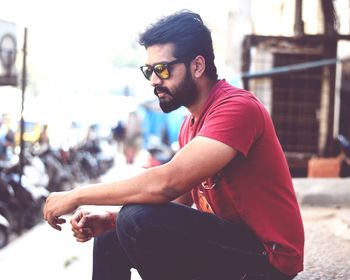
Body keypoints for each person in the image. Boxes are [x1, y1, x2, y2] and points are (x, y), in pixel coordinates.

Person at [43, 10, 304, 280]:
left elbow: (167, 184)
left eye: (162, 69)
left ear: (197, 66)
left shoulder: (237, 108)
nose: (155, 80)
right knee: (115, 231)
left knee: (136, 218)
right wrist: (110, 219)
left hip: (269, 258)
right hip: (230, 245)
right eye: (149, 71)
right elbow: (178, 199)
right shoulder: (190, 125)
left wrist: (76, 195)